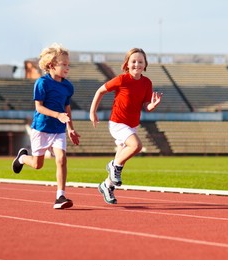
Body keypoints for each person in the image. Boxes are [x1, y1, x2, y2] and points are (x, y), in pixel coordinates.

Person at [90, 47, 163, 204]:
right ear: (127, 64)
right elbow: (100, 91)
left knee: (121, 160)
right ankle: (113, 165)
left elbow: (146, 107)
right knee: (136, 146)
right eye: (134, 61)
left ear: (145, 64)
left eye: (140, 61)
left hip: (132, 125)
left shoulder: (146, 83)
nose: (137, 64)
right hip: (117, 123)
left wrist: (153, 105)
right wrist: (92, 112)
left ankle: (106, 186)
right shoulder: (122, 80)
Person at [12, 43, 80, 209]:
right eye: (63, 64)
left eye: (68, 64)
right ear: (51, 65)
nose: (67, 67)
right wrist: (57, 115)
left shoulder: (68, 86)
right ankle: (22, 158)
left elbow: (67, 108)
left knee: (62, 159)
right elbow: (39, 107)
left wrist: (70, 128)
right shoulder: (42, 83)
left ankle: (60, 196)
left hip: (58, 130)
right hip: (41, 128)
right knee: (37, 165)